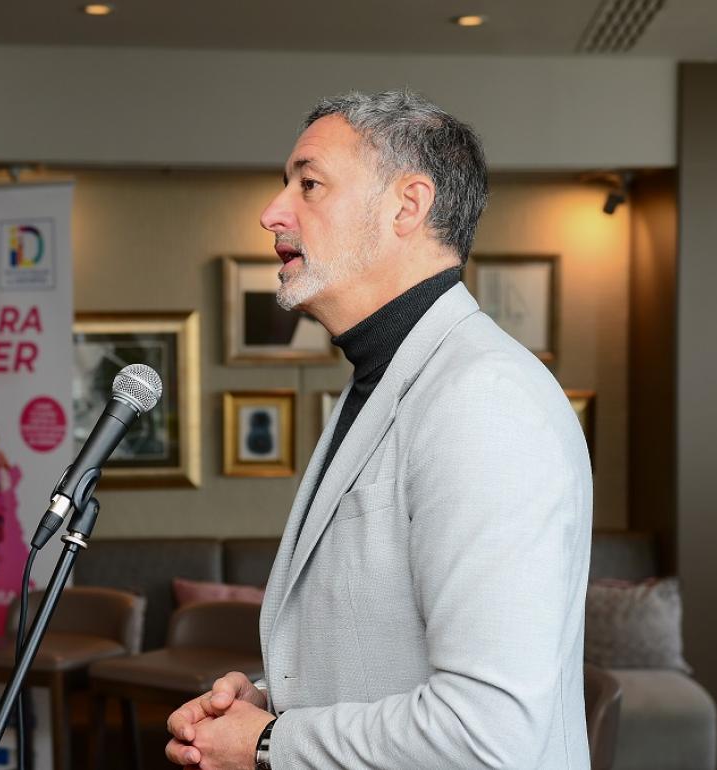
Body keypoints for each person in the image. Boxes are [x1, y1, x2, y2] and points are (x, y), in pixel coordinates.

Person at [165, 90, 592, 769]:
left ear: (407, 206)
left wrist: (269, 743)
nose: (272, 212)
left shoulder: (484, 398)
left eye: (309, 185)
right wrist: (266, 706)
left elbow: (488, 734)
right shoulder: (380, 383)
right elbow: (387, 659)